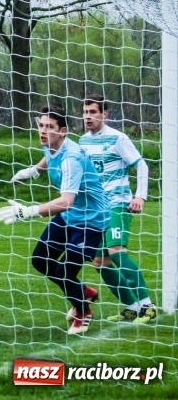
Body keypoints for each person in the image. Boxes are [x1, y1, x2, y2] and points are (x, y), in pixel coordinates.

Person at [0, 105, 110, 335]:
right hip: (71, 217)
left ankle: (84, 311)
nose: (42, 131)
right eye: (41, 125)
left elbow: (66, 201)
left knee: (66, 271)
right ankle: (84, 292)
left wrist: (27, 212)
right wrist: (34, 170)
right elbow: (50, 157)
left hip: (91, 221)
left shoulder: (72, 159)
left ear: (63, 131)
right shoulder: (52, 146)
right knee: (40, 259)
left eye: (49, 127)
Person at [78, 94, 153, 322]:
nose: (88, 116)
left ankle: (148, 306)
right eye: (85, 112)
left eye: (93, 112)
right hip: (97, 210)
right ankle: (131, 306)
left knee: (116, 251)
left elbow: (141, 165)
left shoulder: (117, 138)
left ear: (104, 114)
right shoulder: (83, 141)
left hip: (118, 204)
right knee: (100, 262)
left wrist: (140, 196)